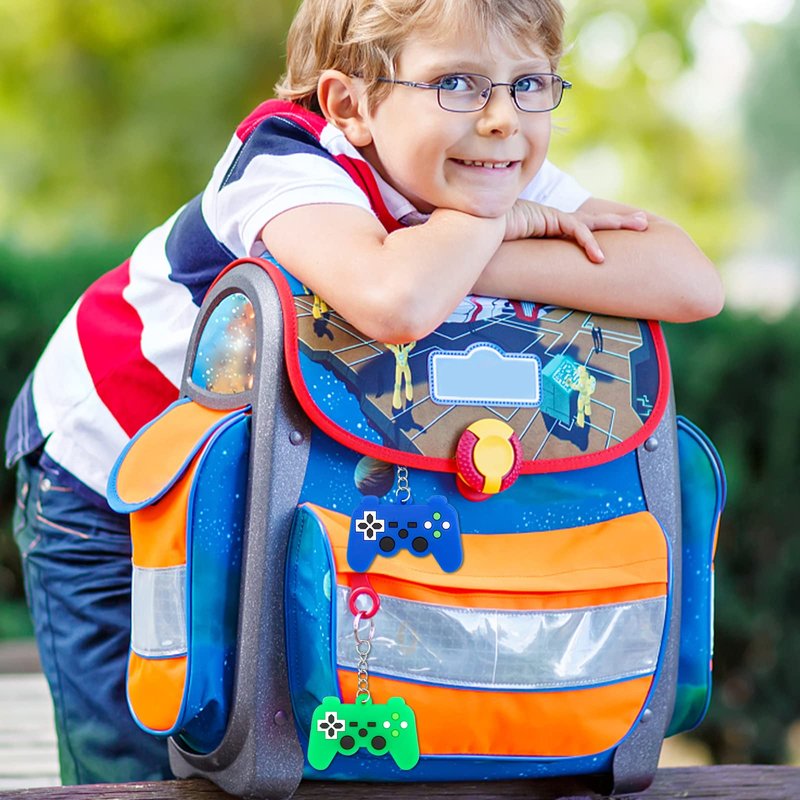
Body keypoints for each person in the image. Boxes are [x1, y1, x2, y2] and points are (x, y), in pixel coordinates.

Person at [5, 0, 724, 785]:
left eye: (529, 84)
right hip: (114, 473)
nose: (501, 118)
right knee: (147, 749)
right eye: (456, 83)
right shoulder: (283, 160)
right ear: (350, 105)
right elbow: (395, 299)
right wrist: (484, 232)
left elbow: (689, 282)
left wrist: (463, 245)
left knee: (297, 717)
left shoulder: (480, 172)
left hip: (261, 472)